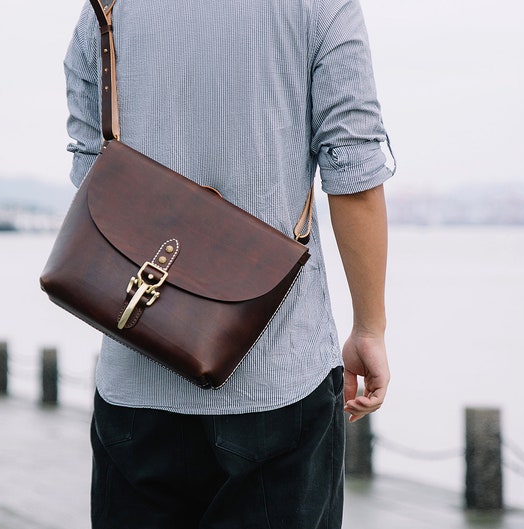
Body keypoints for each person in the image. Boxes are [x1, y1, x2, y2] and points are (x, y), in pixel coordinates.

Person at [64, 0, 393, 527]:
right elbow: (353, 174)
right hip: (278, 377)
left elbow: (93, 173)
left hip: (137, 369)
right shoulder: (322, 7)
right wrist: (369, 327)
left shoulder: (107, 6)